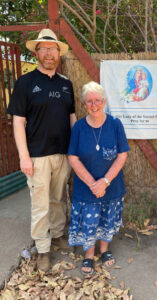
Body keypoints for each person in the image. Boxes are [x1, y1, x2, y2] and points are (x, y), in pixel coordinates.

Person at [7, 28, 77, 272]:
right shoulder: (25, 83)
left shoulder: (66, 84)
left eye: (53, 49)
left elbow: (72, 117)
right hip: (36, 156)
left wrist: (74, 150)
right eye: (44, 49)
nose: (49, 53)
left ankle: (57, 235)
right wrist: (24, 156)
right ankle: (43, 250)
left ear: (59, 53)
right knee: (40, 205)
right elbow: (18, 122)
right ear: (37, 52)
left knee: (58, 199)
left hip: (62, 154)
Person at [68, 81, 129, 276]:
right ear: (84, 104)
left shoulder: (115, 124)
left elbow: (122, 155)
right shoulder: (78, 127)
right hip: (85, 188)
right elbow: (73, 157)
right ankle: (88, 253)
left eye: (97, 101)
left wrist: (105, 181)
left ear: (104, 101)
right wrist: (92, 183)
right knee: (89, 222)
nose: (94, 105)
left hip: (111, 186)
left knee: (107, 219)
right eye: (89, 102)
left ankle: (104, 250)